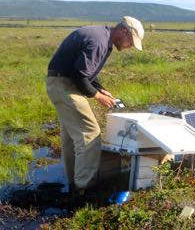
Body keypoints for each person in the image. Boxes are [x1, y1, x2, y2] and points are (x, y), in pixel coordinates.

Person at [46, 16, 144, 194]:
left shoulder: (102, 36)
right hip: (65, 85)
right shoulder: (100, 41)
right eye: (131, 41)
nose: (130, 46)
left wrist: (100, 89)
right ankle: (84, 188)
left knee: (71, 135)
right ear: (124, 32)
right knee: (90, 134)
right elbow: (79, 75)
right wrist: (97, 95)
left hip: (61, 83)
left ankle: (73, 183)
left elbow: (86, 72)